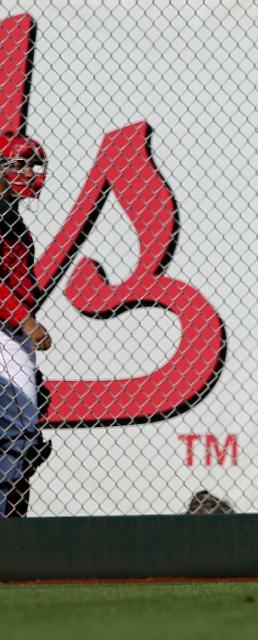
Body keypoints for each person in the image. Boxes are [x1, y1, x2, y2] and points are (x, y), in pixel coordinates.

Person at [0, 131, 53, 517]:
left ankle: (12, 519)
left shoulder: (11, 214)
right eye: (20, 163)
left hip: (14, 334)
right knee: (19, 432)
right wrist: (26, 321)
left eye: (34, 164)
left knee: (23, 435)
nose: (31, 172)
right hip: (6, 329)